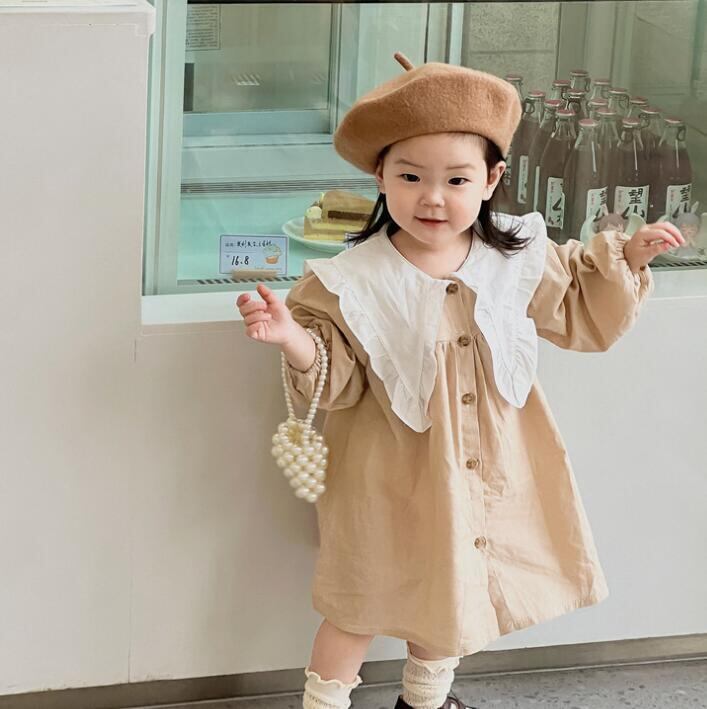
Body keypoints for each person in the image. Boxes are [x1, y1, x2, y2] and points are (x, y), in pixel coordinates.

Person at [236, 53, 685, 709]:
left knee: (455, 587)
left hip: (490, 458)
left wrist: (630, 257)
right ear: (379, 176)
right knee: (358, 600)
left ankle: (425, 701)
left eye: (455, 178)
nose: (432, 197)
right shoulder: (350, 279)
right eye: (410, 176)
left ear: (491, 178)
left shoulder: (517, 255)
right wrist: (291, 337)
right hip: (386, 475)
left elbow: (579, 312)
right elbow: (337, 377)